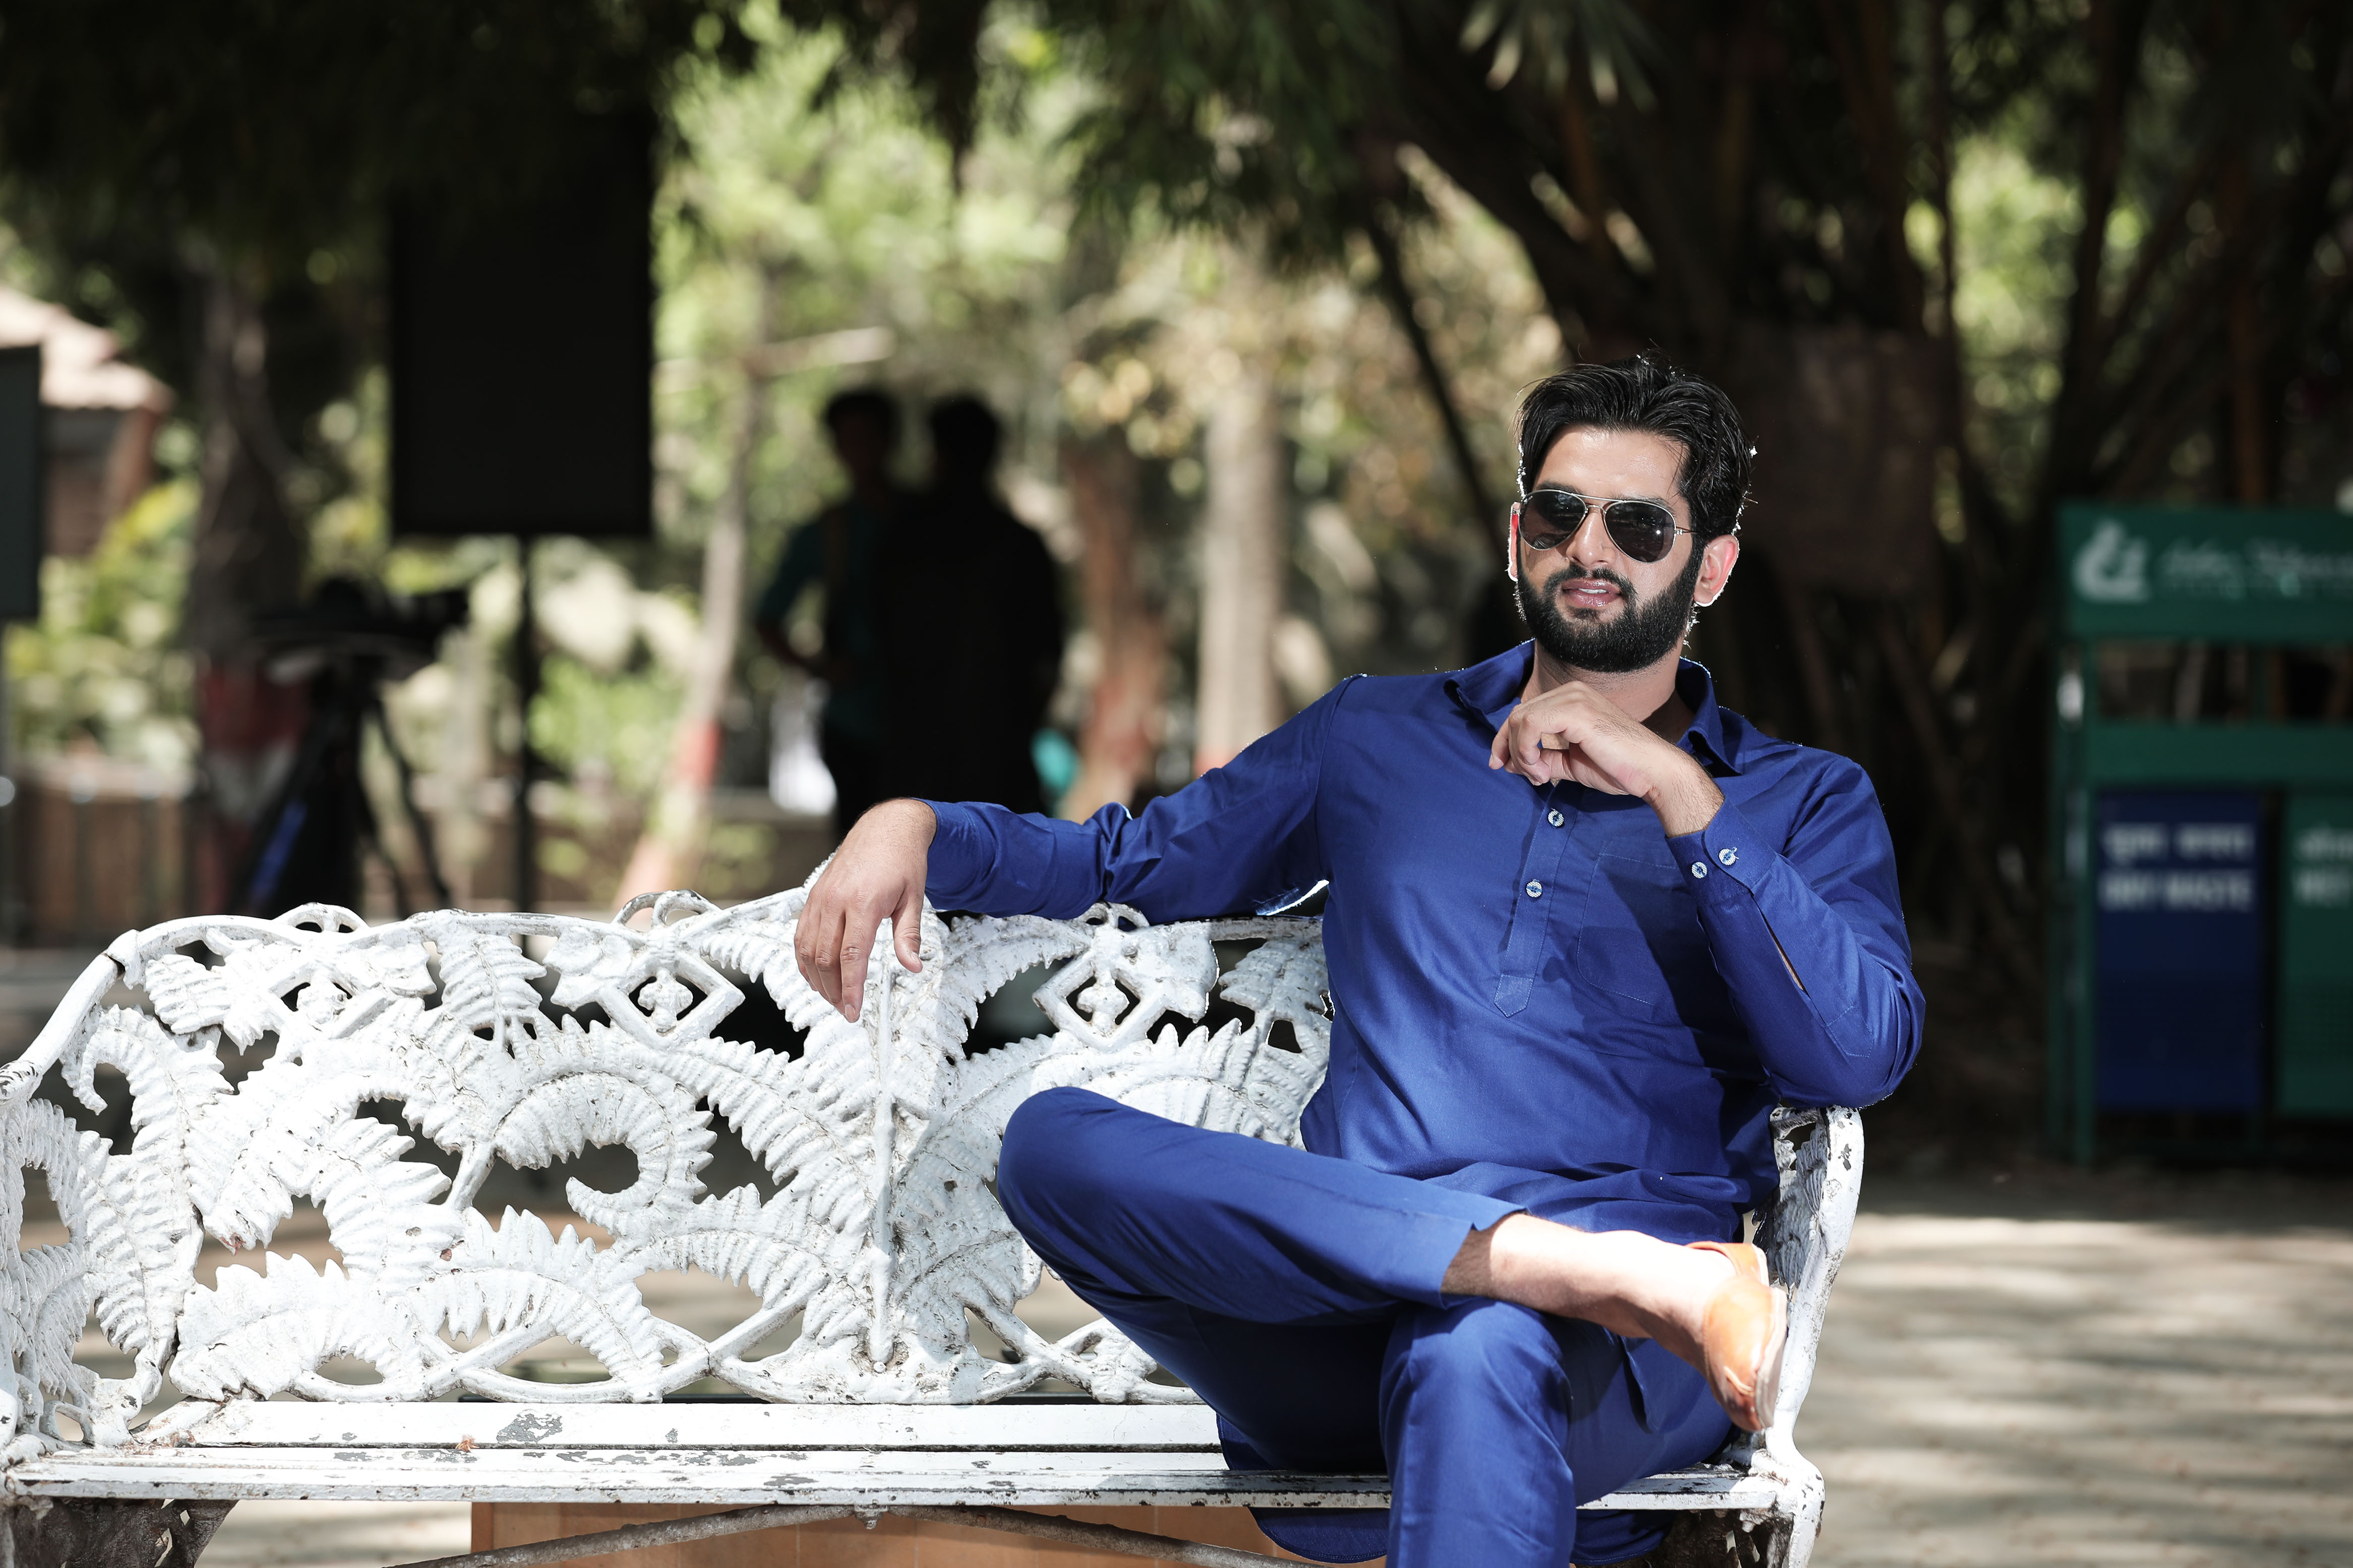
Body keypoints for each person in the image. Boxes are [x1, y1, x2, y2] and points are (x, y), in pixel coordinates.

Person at [793, 357, 1921, 1568]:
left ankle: (1587, 1286)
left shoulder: (1799, 800)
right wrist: (918, 822)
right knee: (1052, 1144)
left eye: (1637, 525)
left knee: (1478, 1344)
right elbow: (1131, 861)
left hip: (1628, 1360)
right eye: (1558, 513)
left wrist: (1678, 791)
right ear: (1516, 539)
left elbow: (1854, 1053)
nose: (1588, 547)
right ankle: (1582, 1268)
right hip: (1340, 1325)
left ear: (1708, 567)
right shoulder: (1375, 734)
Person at [878, 394, 1065, 813]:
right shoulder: (1019, 545)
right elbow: (1048, 656)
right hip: (993, 744)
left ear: (937, 454)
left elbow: (881, 637)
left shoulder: (905, 541)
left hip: (920, 743)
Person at [753, 388, 906, 836]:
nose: (861, 450)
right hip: (854, 724)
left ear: (890, 440)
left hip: (924, 721)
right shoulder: (829, 531)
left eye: (869, 436)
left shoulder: (926, 522)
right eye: (850, 439)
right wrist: (820, 670)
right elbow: (767, 619)